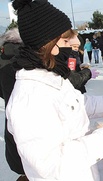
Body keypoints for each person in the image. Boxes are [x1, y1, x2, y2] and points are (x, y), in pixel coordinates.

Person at [6, 1, 103, 181]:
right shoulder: (31, 98)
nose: (76, 43)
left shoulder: (53, 77)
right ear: (47, 46)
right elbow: (51, 167)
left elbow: (81, 103)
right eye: (67, 39)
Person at [0, 28, 27, 181]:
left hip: (11, 117)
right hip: (33, 116)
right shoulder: (28, 58)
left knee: (21, 164)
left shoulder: (2, 59)